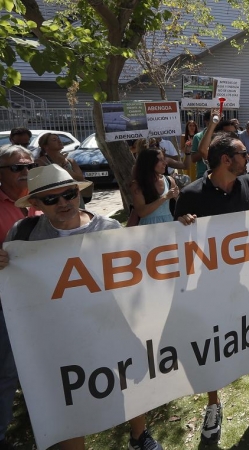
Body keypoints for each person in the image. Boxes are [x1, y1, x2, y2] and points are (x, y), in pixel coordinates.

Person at [1, 165, 162, 450]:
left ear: (79, 193)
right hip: (58, 338)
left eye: (69, 194)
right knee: (68, 400)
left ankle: (140, 436)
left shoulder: (108, 228)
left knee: (129, 384)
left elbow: (131, 278)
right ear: (36, 204)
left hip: (110, 326)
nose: (63, 203)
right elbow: (15, 285)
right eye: (51, 199)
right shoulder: (23, 235)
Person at [174, 133, 249, 445]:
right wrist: (183, 224)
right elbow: (173, 244)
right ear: (226, 160)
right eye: (243, 153)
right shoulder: (191, 194)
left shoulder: (246, 184)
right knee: (212, 343)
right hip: (207, 285)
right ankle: (213, 405)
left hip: (246, 278)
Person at [0, 145, 39, 449]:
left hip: (44, 302)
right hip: (6, 306)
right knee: (7, 371)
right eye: (17, 167)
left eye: (29, 165)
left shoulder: (42, 200)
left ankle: (44, 416)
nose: (25, 171)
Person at [130, 147, 180, 225]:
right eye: (160, 160)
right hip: (148, 227)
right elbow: (141, 212)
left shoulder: (169, 180)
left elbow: (181, 203)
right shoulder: (137, 185)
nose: (165, 163)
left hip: (168, 224)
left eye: (164, 159)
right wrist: (165, 197)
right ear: (149, 162)